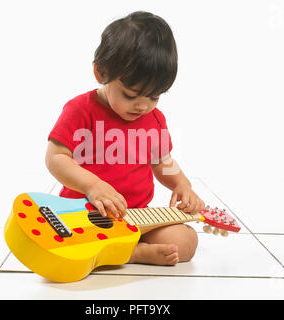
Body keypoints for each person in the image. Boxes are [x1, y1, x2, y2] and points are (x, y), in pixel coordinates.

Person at [45, 11, 205, 266]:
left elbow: (164, 161)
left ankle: (120, 249)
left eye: (154, 97)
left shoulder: (154, 120)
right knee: (62, 243)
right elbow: (55, 158)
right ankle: (133, 253)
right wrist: (92, 186)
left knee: (185, 241)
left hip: (136, 217)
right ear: (101, 72)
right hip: (85, 215)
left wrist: (182, 185)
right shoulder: (80, 110)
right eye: (131, 95)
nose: (142, 106)